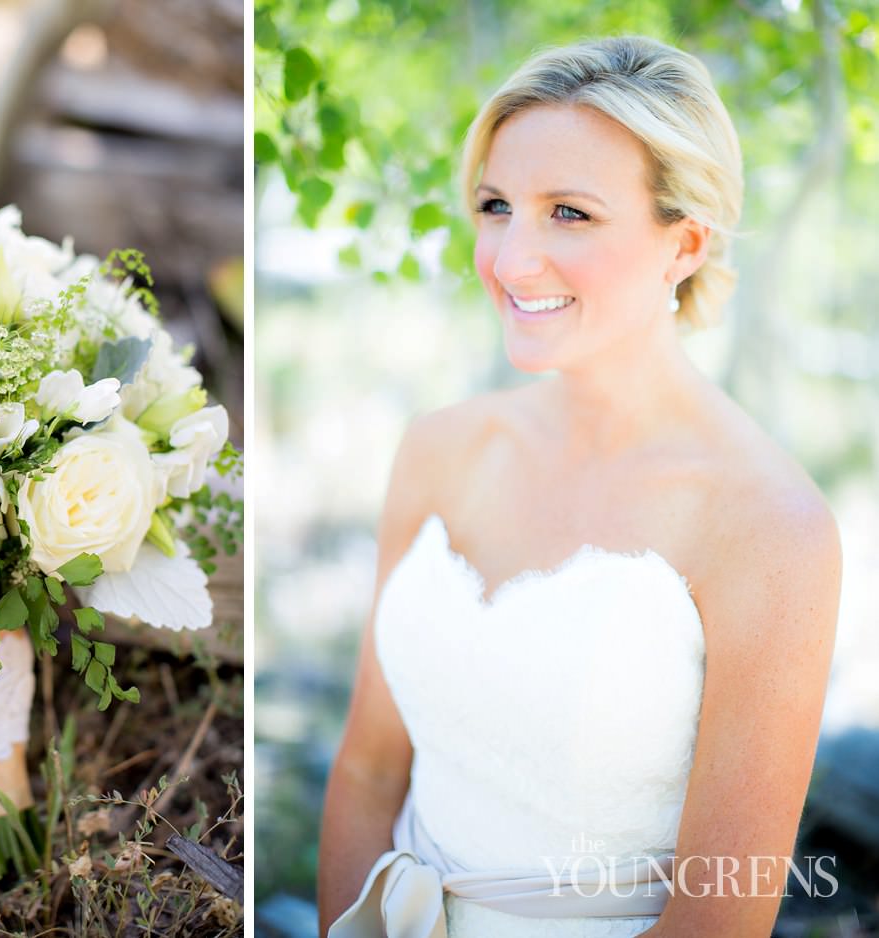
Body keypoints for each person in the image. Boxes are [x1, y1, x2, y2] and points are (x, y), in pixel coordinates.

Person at [317, 35, 841, 938]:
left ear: (685, 242)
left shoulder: (769, 527)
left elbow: (721, 915)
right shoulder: (437, 449)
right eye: (496, 205)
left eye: (570, 213)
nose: (513, 259)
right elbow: (367, 772)